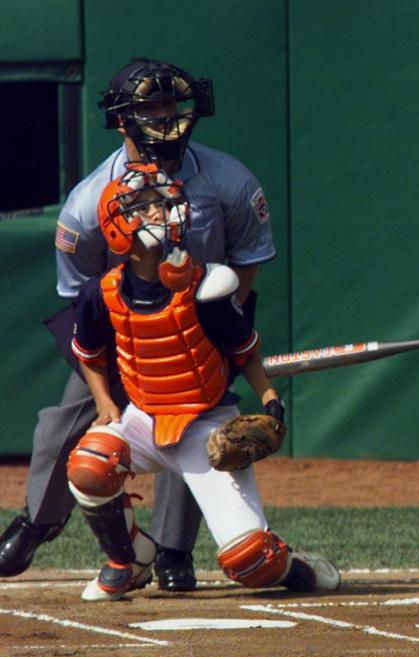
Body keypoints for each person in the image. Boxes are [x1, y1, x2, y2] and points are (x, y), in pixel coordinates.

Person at [0, 58, 275, 591]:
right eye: (151, 106)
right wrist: (119, 364)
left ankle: (173, 551)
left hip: (203, 321)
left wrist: (218, 330)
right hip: (113, 324)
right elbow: (75, 296)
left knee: (186, 423)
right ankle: (38, 519)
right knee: (62, 424)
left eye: (172, 103)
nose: (166, 116)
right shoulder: (86, 201)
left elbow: (247, 260)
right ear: (123, 120)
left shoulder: (229, 180)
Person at [65, 162, 339, 601]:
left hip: (205, 428)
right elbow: (90, 355)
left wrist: (269, 396)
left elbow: (243, 348)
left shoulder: (206, 285)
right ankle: (131, 557)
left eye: (163, 204)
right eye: (146, 206)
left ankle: (300, 570)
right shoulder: (102, 294)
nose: (161, 213)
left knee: (251, 559)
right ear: (118, 226)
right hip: (143, 420)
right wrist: (104, 404)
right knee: (90, 464)